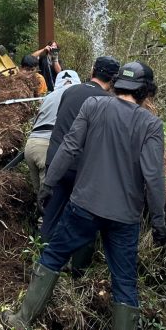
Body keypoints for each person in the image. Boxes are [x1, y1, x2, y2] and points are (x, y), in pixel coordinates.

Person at [3, 61, 166, 330]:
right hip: (125, 218)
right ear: (145, 91)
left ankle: (22, 320)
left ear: (118, 85)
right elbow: (153, 178)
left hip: (84, 205)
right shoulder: (150, 125)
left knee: (53, 255)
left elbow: (68, 146)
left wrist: (49, 184)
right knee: (124, 283)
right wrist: (158, 222)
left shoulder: (94, 106)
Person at [40, 56, 121, 242]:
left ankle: (43, 260)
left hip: (55, 162)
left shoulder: (70, 91)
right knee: (80, 222)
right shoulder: (109, 102)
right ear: (114, 79)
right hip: (83, 170)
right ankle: (75, 266)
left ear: (93, 70)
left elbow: (60, 122)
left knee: (50, 217)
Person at [22, 70, 80, 191]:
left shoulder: (48, 97)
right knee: (47, 198)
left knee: (38, 193)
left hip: (31, 144)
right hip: (48, 147)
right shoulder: (76, 96)